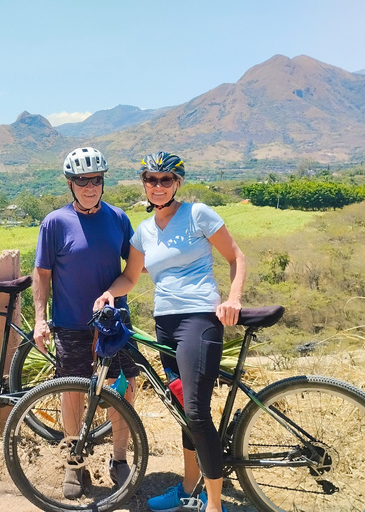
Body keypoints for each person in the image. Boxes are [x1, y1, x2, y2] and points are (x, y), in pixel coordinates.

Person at [94, 152, 246, 512]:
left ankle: (213, 505)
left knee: (196, 410)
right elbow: (130, 277)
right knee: (182, 409)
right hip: (166, 323)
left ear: (177, 183)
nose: (158, 186)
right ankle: (189, 488)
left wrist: (233, 299)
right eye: (151, 179)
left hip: (199, 319)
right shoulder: (144, 232)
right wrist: (109, 293)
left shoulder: (197, 215)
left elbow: (236, 257)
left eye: (166, 180)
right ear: (144, 184)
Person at [33, 147, 140, 499]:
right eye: (82, 181)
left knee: (123, 388)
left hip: (114, 321)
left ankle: (119, 459)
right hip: (71, 323)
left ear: (103, 182)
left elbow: (133, 268)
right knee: (72, 393)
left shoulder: (118, 218)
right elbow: (42, 273)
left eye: (95, 180)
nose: (90, 187)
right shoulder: (55, 223)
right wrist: (40, 319)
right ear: (70, 184)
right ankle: (74, 463)